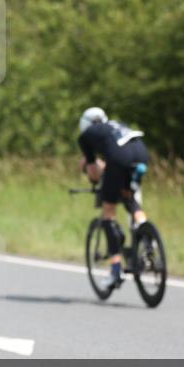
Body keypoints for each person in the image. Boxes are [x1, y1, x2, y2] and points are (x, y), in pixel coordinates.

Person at [77, 107, 150, 288]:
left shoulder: (86, 136)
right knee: (129, 199)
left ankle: (116, 270)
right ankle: (146, 234)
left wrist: (92, 175)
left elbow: (94, 172)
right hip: (141, 154)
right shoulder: (116, 125)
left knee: (108, 211)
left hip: (119, 159)